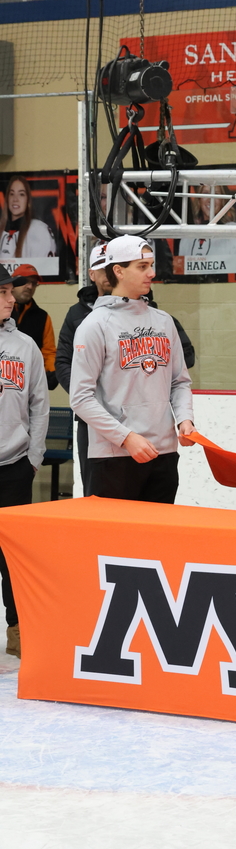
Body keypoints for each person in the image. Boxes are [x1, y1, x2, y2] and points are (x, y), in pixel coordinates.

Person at [57, 242, 196, 490]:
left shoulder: (164, 321)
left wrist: (185, 418)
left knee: (158, 529)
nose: (152, 273)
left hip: (163, 452)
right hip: (113, 455)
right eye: (142, 266)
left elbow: (180, 381)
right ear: (119, 271)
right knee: (114, 530)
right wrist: (126, 438)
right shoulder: (94, 325)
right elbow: (80, 398)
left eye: (151, 265)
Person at [0, 263, 49, 660]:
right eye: (1, 293)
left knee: (12, 557)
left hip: (13, 465)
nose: (9, 299)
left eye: (9, 292)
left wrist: (32, 458)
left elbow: (39, 405)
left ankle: (18, 629)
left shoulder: (25, 346)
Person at [11, 263, 58, 391]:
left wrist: (52, 371)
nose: (30, 286)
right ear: (13, 282)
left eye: (34, 283)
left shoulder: (42, 317)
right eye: (25, 281)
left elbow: (49, 351)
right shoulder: (3, 311)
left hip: (30, 384)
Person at [0, 175, 57, 261]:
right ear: (7, 199)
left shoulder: (39, 230)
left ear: (28, 200)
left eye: (21, 194)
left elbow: (43, 270)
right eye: (12, 194)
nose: (15, 199)